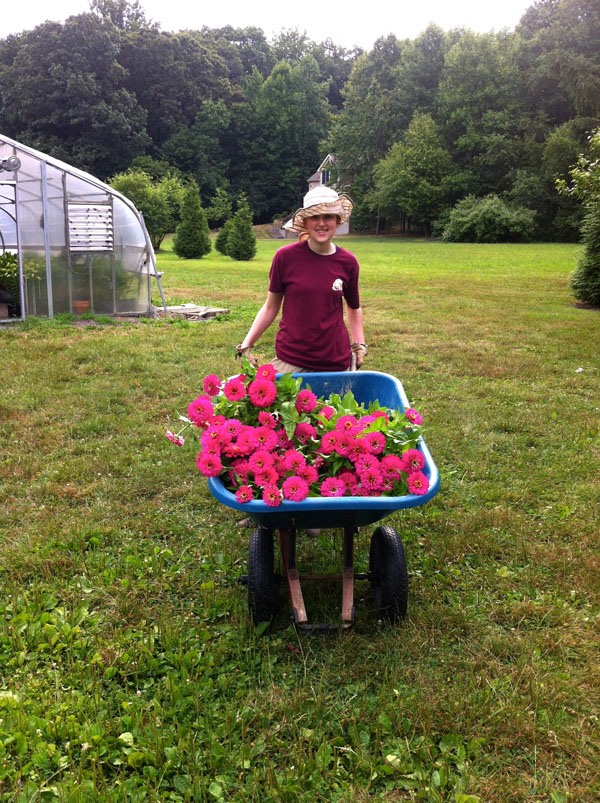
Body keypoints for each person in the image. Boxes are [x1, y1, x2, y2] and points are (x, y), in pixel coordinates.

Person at [236, 186, 368, 373]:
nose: (321, 223)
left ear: (337, 221)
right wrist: (247, 344)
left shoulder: (348, 262)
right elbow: (270, 307)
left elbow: (354, 307)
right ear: (306, 222)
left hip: (336, 362)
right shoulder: (285, 257)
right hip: (291, 360)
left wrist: (359, 344)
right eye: (315, 217)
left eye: (328, 217)